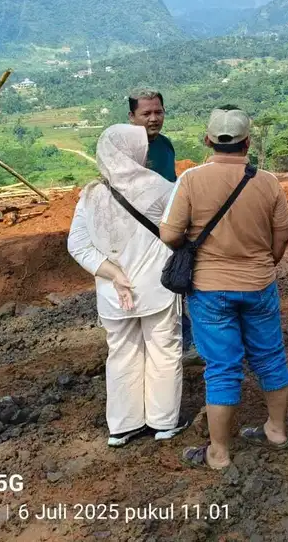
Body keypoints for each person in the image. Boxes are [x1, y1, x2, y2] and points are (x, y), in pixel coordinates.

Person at [160, 106, 288, 470]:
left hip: (209, 289)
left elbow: (170, 234)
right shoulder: (267, 182)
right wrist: (267, 261)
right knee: (270, 356)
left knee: (221, 366)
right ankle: (276, 430)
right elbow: (282, 234)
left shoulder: (190, 180)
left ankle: (218, 451)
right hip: (259, 283)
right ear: (247, 141)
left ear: (208, 140)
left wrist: (191, 250)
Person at [67, 124, 190, 447]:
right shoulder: (159, 189)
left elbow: (77, 245)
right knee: (164, 351)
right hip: (158, 288)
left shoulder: (91, 195)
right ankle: (163, 422)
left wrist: (112, 272)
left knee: (121, 353)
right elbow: (182, 230)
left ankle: (123, 426)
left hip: (113, 294)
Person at [127, 88, 200, 365]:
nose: (153, 118)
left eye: (158, 112)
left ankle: (184, 342)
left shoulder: (165, 145)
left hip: (165, 233)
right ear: (131, 116)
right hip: (137, 237)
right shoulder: (126, 150)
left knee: (173, 286)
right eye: (146, 113)